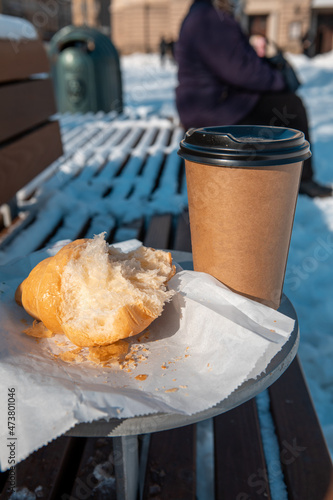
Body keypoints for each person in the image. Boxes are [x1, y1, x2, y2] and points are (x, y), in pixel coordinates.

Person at [175, 0, 332, 198]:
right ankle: (302, 179)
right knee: (290, 106)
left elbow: (237, 61)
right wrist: (278, 80)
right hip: (212, 110)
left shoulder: (205, 14)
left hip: (210, 104)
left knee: (280, 104)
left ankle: (283, 170)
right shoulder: (210, 18)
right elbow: (240, 70)